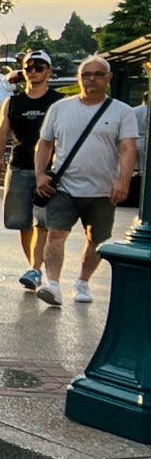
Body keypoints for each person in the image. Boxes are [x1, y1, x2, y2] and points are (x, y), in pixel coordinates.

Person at [33, 55, 139, 306]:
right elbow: (45, 143)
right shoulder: (60, 108)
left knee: (97, 238)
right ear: (79, 78)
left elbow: (127, 149)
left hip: (102, 189)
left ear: (108, 78)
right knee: (56, 234)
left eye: (98, 74)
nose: (91, 79)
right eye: (86, 74)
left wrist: (123, 181)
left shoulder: (122, 112)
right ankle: (54, 285)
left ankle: (82, 281)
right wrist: (40, 174)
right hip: (63, 186)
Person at [0, 49, 64, 292]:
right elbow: (2, 131)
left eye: (39, 66)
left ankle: (35, 268)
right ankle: (34, 266)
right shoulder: (13, 102)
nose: (33, 71)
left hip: (49, 170)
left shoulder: (59, 101)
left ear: (49, 71)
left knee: (42, 222)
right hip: (19, 165)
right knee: (21, 222)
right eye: (29, 67)